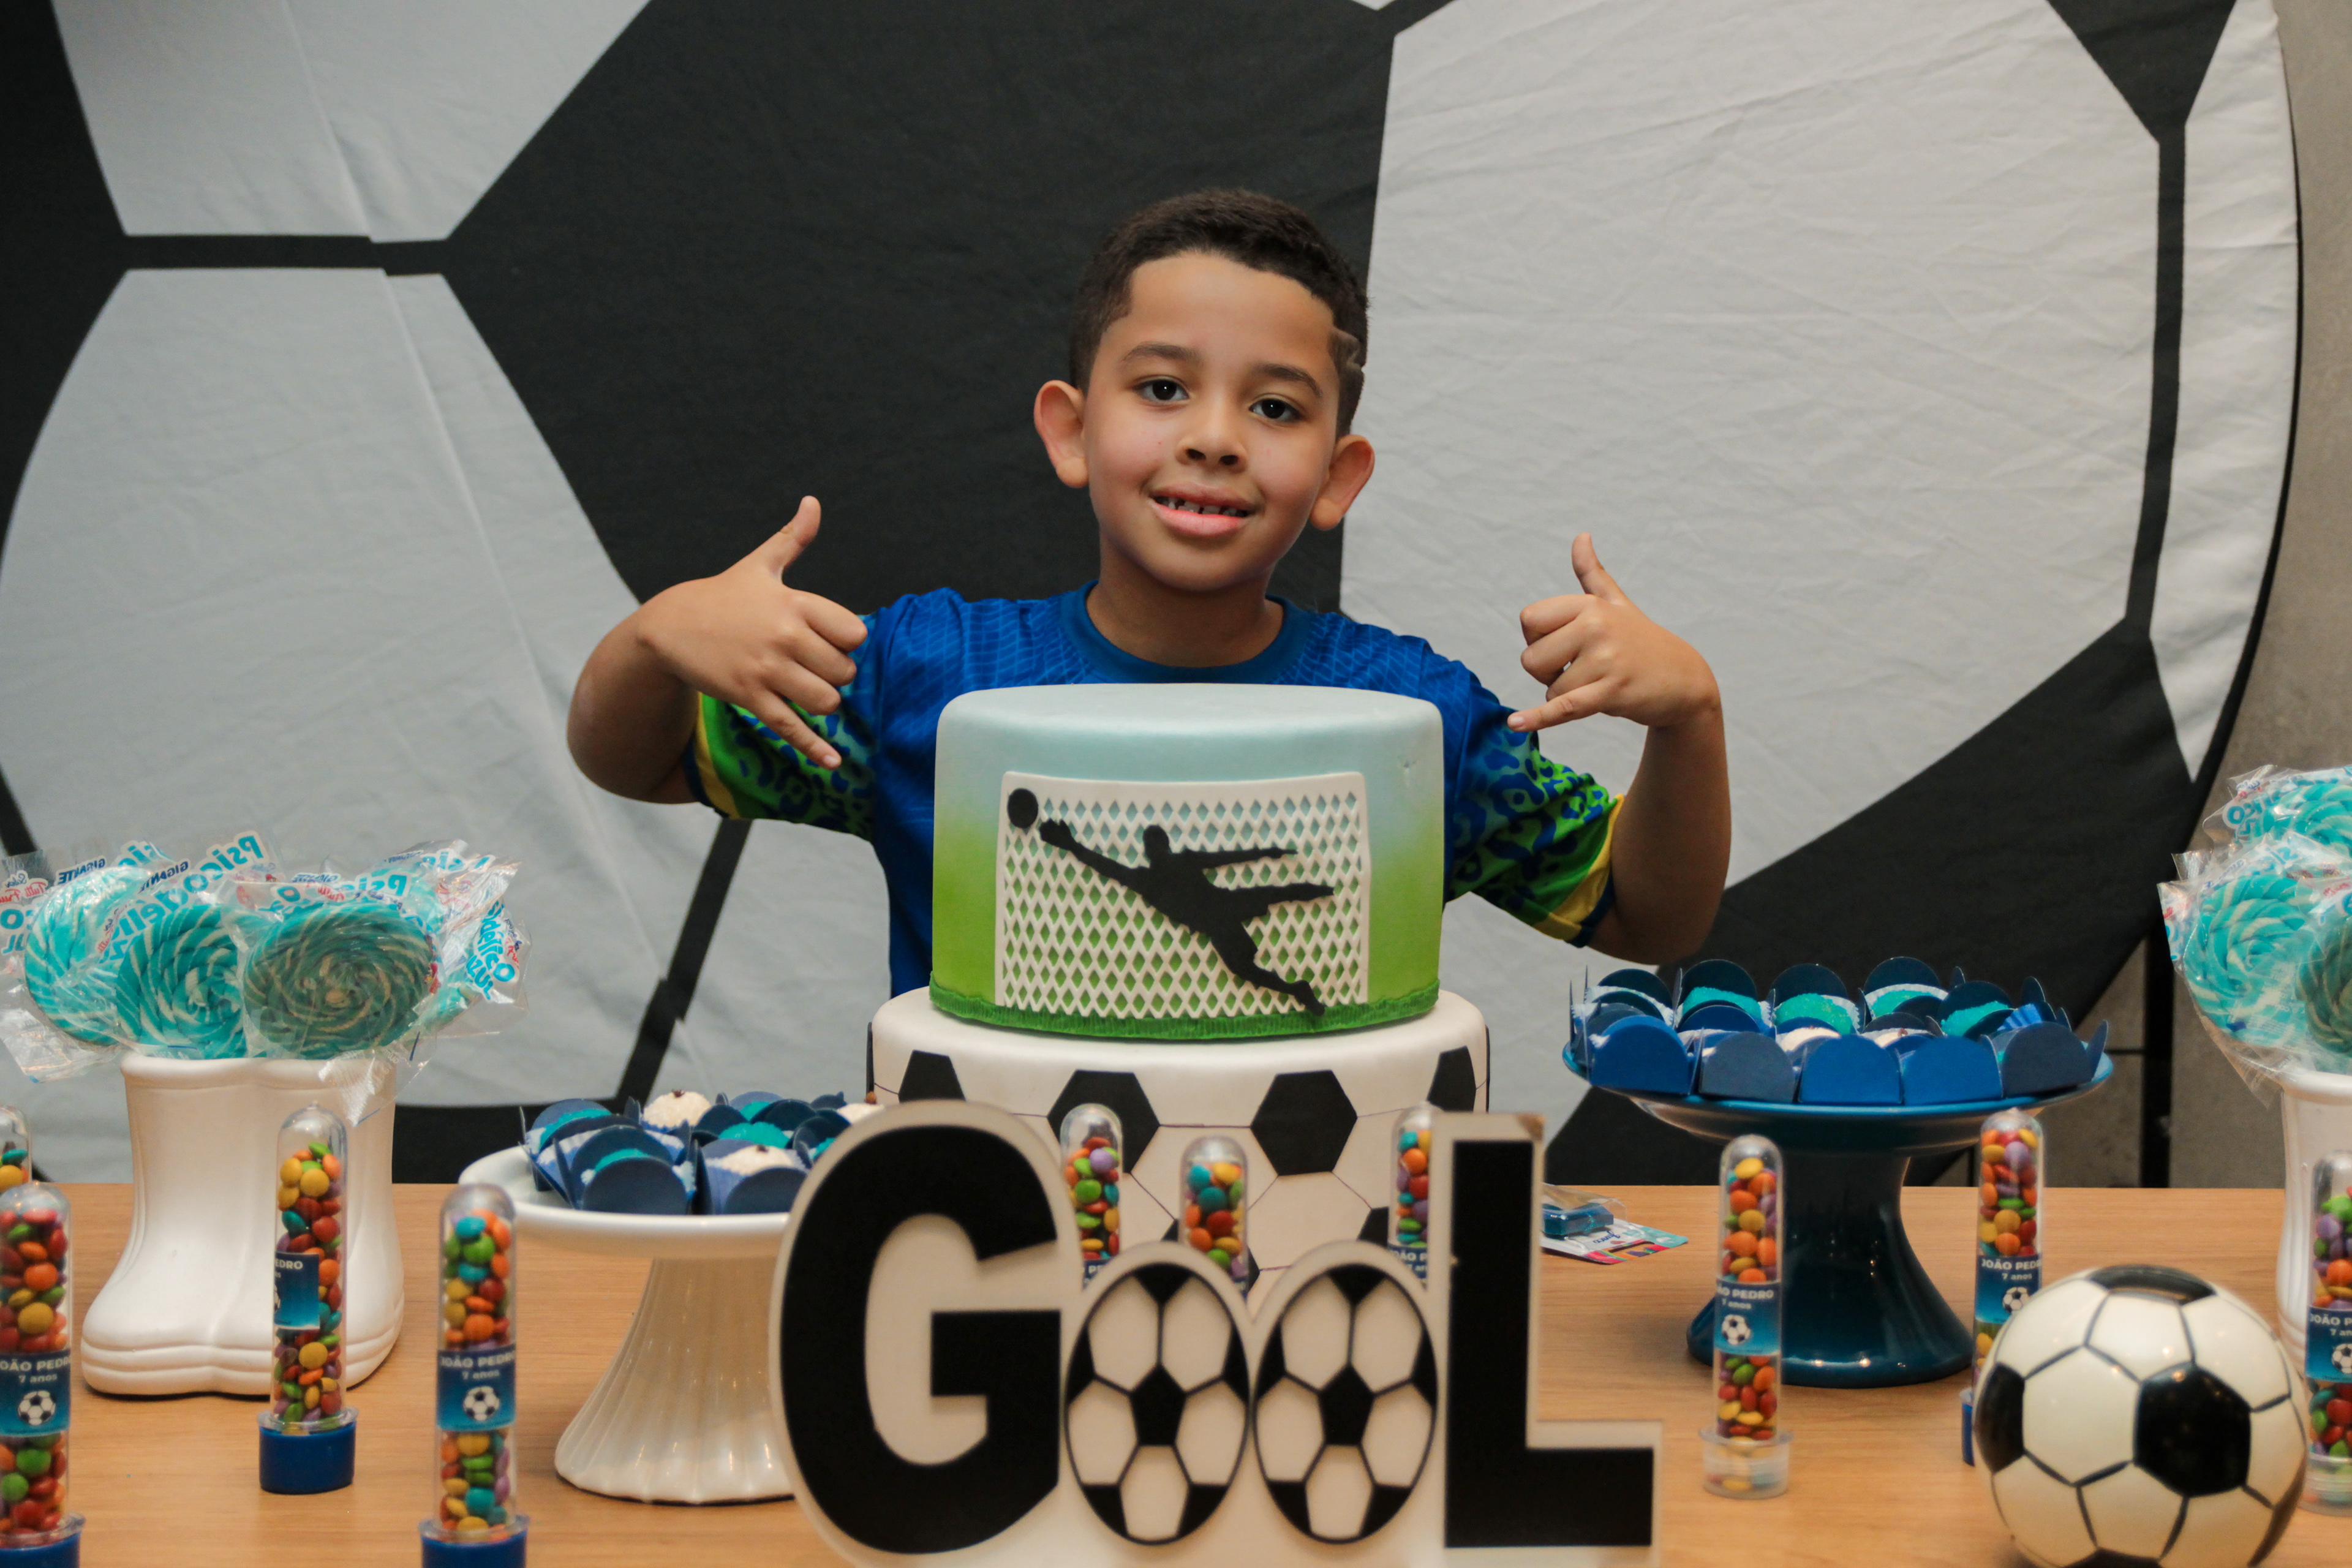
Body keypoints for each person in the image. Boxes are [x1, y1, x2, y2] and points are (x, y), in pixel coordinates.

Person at [568, 189, 1731, 1004]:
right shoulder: (926, 675)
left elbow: (1646, 918)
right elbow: (639, 761)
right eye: (1164, 388)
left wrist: (1690, 720)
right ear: (1071, 431)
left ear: (1337, 476)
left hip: (1304, 1243)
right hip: (989, 1232)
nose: (1215, 438)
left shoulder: (1414, 717)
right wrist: (656, 637)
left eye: (1275, 408)